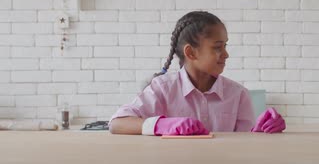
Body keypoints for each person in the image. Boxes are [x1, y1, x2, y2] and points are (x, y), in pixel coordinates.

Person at [109, 11, 286, 135]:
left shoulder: (238, 95)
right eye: (217, 47)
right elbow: (117, 123)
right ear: (191, 53)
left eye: (225, 46)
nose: (226, 54)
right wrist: (161, 125)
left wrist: (263, 132)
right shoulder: (162, 89)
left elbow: (246, 146)